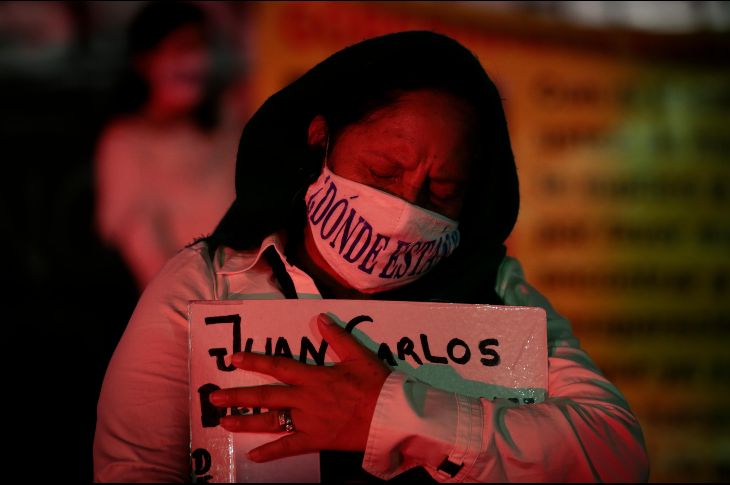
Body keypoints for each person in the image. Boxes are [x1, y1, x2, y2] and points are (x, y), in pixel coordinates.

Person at [94, 31, 649, 482]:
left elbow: (615, 454)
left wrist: (388, 415)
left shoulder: (497, 292)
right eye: (383, 172)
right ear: (321, 139)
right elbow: (135, 469)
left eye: (442, 190)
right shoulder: (205, 285)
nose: (407, 207)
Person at [94, 1, 239, 289]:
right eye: (181, 48)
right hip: (194, 309)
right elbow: (147, 257)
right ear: (146, 62)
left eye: (200, 46)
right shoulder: (125, 142)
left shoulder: (227, 121)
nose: (195, 59)